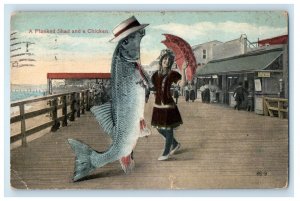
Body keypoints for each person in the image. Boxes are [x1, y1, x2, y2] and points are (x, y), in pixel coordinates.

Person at [151, 49, 183, 161]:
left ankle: (166, 153)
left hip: (168, 105)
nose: (167, 61)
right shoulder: (155, 75)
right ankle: (175, 144)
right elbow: (153, 88)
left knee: (168, 129)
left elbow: (182, 84)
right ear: (161, 60)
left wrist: (183, 70)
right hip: (158, 106)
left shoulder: (173, 74)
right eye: (165, 59)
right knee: (159, 129)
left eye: (169, 59)